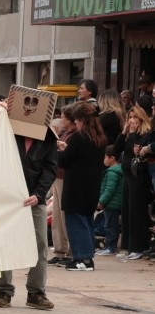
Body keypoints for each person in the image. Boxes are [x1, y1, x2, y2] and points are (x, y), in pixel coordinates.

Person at [0, 109, 57, 309]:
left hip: (34, 199)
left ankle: (36, 292)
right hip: (8, 199)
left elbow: (50, 169)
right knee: (5, 242)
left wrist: (38, 195)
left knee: (40, 243)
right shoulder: (9, 133)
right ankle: (4, 290)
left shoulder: (48, 139)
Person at [56, 102, 107, 271]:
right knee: (86, 221)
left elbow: (64, 161)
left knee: (76, 223)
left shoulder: (79, 136)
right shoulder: (100, 138)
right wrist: (68, 149)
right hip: (92, 185)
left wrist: (63, 149)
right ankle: (83, 256)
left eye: (76, 120)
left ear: (81, 120)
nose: (75, 123)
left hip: (76, 185)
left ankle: (84, 259)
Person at [113, 105, 152, 260]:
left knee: (136, 210)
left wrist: (133, 134)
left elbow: (135, 151)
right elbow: (116, 150)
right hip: (128, 174)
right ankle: (130, 246)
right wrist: (124, 134)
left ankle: (139, 246)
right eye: (130, 117)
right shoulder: (129, 133)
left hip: (139, 175)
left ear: (141, 118)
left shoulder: (144, 134)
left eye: (135, 117)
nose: (132, 121)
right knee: (127, 209)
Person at [48, 106, 75, 267]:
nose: (61, 119)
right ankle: (59, 250)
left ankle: (70, 251)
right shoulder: (66, 133)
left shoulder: (74, 135)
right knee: (57, 216)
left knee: (64, 215)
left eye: (64, 117)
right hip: (58, 176)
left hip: (65, 177)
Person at [95, 146, 123, 256]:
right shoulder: (113, 171)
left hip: (111, 204)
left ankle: (111, 247)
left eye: (105, 157)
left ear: (112, 158)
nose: (104, 160)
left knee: (111, 226)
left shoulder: (112, 172)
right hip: (111, 203)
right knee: (109, 225)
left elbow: (109, 190)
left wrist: (101, 202)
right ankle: (108, 246)